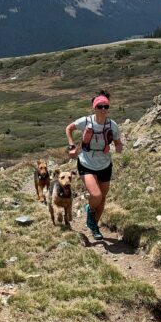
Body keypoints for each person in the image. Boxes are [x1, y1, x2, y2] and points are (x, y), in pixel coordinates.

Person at [64, 90, 123, 240]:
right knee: (96, 195)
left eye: (105, 106)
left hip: (105, 164)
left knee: (102, 199)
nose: (103, 109)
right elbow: (69, 128)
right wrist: (71, 146)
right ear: (94, 108)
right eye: (100, 106)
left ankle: (94, 226)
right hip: (86, 162)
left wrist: (118, 147)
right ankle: (89, 210)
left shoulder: (112, 125)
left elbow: (117, 141)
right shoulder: (86, 121)